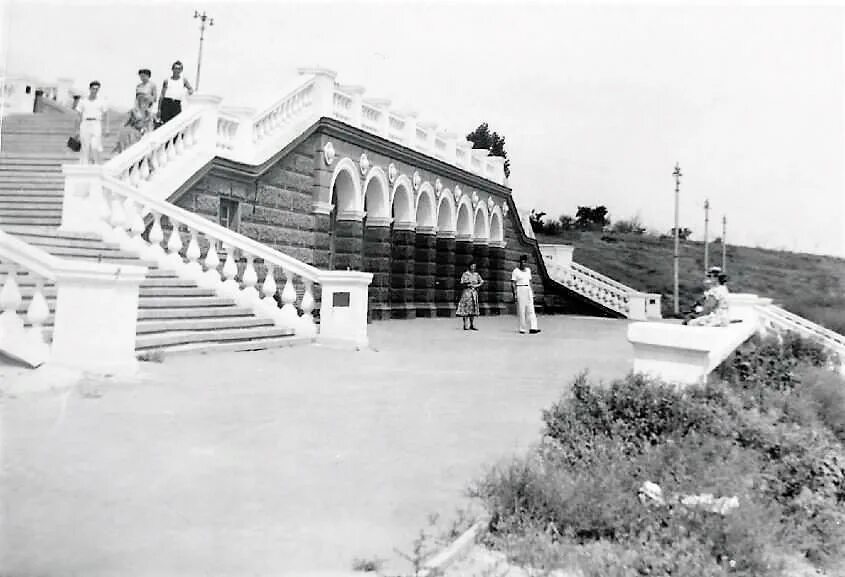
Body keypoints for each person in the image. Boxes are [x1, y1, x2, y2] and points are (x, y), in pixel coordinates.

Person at [77, 80, 109, 165]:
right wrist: (76, 129)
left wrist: (107, 128)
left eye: (97, 89)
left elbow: (105, 115)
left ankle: (97, 163)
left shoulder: (101, 101)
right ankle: (84, 165)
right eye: (93, 88)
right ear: (90, 89)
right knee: (85, 147)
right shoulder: (83, 101)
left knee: (95, 145)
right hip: (85, 123)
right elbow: (78, 115)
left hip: (96, 123)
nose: (95, 90)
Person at [158, 60, 194, 125]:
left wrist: (189, 92)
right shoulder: (167, 80)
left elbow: (190, 89)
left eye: (179, 69)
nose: (177, 70)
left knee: (176, 123)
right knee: (165, 123)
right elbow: (162, 95)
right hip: (166, 103)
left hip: (176, 104)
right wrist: (159, 109)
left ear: (181, 70)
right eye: (175, 68)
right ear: (172, 69)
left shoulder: (183, 80)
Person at [511, 255, 540, 334]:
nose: (523, 263)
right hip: (520, 289)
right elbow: (513, 283)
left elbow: (530, 281)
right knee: (521, 309)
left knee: (531, 309)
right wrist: (515, 294)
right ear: (520, 262)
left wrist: (532, 292)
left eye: (524, 262)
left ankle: (533, 327)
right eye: (522, 262)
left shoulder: (528, 270)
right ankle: (522, 328)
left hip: (528, 289)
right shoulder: (515, 271)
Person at [456, 261, 484, 330]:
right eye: (472, 266)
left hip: (474, 293)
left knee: (473, 309)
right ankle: (465, 324)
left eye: (474, 266)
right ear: (469, 266)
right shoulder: (465, 274)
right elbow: (462, 282)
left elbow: (482, 281)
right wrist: (467, 284)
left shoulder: (476, 274)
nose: (473, 267)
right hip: (467, 293)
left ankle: (472, 324)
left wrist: (476, 285)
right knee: (466, 309)